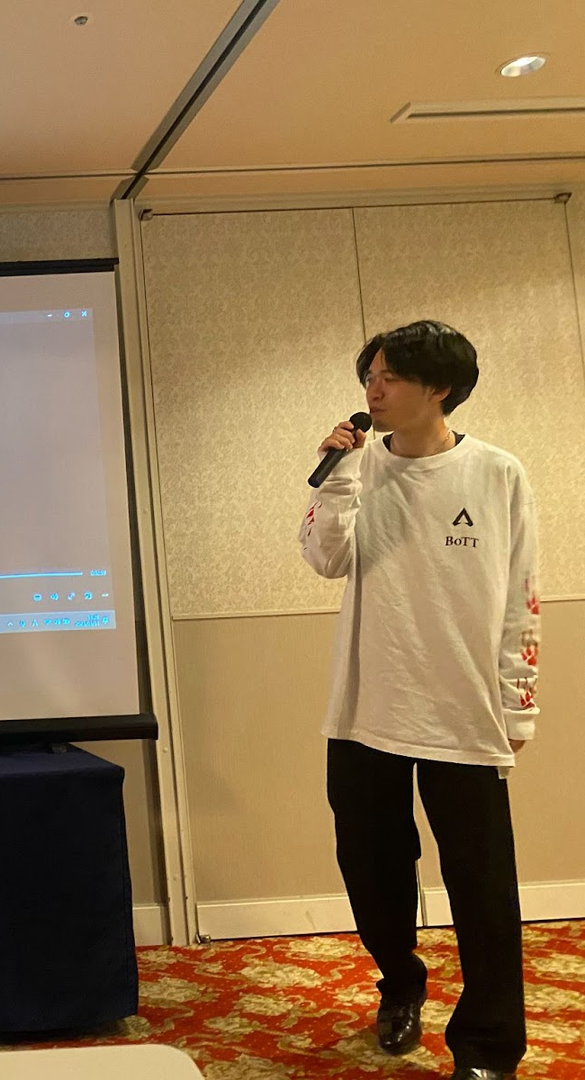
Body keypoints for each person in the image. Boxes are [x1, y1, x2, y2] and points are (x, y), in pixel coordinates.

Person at [299, 320, 538, 1080]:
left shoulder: (497, 473)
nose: (373, 390)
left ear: (439, 388)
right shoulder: (355, 468)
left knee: (483, 887)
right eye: (369, 376)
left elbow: (521, 595)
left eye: (390, 377)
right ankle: (400, 981)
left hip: (463, 710)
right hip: (364, 708)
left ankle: (489, 1047)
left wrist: (519, 701)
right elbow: (325, 560)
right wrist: (338, 476)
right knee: (371, 870)